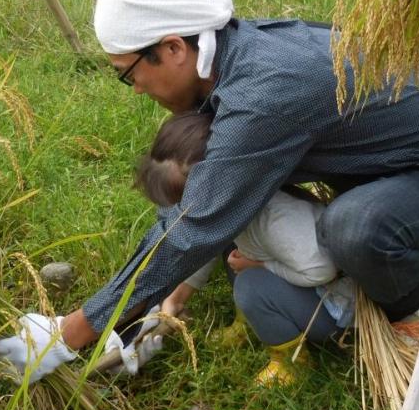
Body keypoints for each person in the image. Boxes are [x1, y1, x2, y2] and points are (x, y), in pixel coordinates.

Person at [0, 0, 419, 383]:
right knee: (220, 188)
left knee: (355, 227)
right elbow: (193, 206)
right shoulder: (227, 58)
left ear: (175, 48)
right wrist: (157, 301)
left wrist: (72, 333)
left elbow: (195, 224)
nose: (135, 88)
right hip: (376, 165)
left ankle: (409, 316)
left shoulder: (263, 94)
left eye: (129, 73)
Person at [134, 110, 356, 385]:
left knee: (250, 286)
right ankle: (252, 322)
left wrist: (260, 266)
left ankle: (291, 362)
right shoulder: (232, 200)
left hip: (334, 306)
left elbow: (321, 270)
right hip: (301, 273)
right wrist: (175, 300)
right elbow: (201, 240)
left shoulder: (275, 219)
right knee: (232, 252)